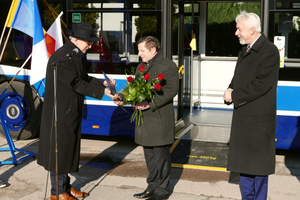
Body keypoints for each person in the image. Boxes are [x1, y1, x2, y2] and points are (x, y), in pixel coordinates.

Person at [37, 22, 117, 200]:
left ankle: (65, 187)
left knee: (66, 151)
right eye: (88, 42)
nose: (90, 45)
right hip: (60, 113)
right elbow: (77, 84)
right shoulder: (64, 57)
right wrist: (102, 92)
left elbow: (83, 77)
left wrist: (102, 84)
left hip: (68, 111)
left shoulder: (72, 54)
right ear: (77, 40)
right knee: (60, 152)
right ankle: (57, 192)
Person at [223, 11, 279, 200]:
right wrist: (230, 89)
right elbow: (238, 76)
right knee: (243, 164)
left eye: (239, 29)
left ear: (252, 30)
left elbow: (261, 84)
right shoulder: (246, 48)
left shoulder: (269, 50)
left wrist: (235, 95)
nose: (236, 33)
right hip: (244, 115)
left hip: (259, 119)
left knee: (258, 166)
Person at [114, 36, 178, 200]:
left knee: (160, 158)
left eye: (142, 50)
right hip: (145, 120)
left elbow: (171, 90)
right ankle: (152, 186)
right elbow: (134, 88)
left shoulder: (168, 65)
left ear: (153, 50)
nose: (139, 53)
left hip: (159, 119)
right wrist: (123, 97)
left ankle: (162, 191)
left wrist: (150, 103)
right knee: (150, 157)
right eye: (139, 50)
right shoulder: (141, 67)